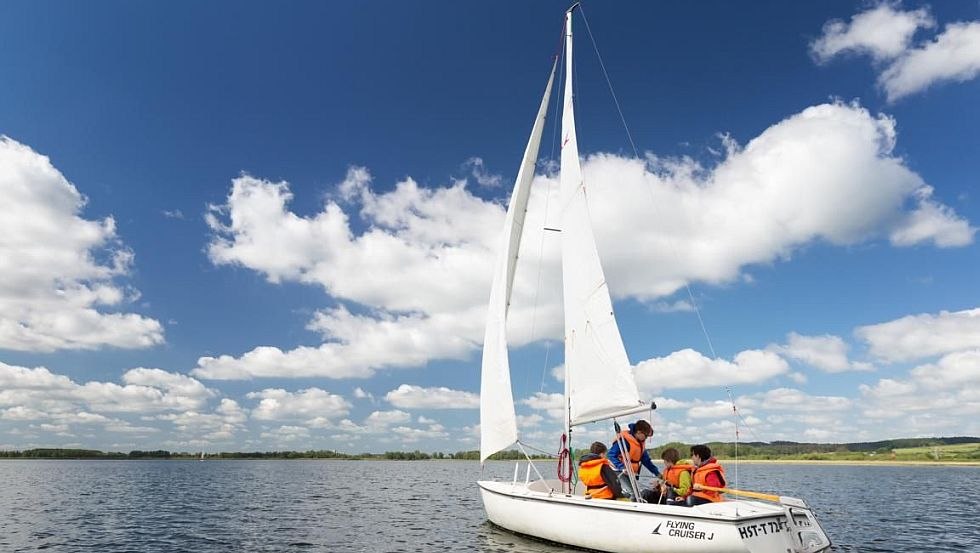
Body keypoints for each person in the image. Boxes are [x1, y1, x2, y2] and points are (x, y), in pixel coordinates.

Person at [607, 420, 661, 499]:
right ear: (639, 432)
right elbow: (611, 455)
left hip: (630, 472)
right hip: (618, 471)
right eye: (645, 436)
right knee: (633, 493)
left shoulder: (640, 443)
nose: (646, 438)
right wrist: (621, 467)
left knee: (636, 492)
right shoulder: (624, 441)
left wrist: (657, 473)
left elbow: (646, 461)